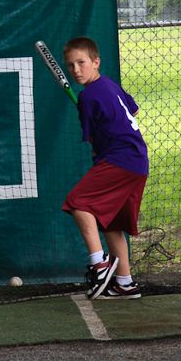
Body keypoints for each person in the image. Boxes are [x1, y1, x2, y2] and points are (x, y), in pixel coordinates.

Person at [62, 36, 148, 300]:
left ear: (95, 62)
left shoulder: (87, 97)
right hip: (138, 161)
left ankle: (100, 264)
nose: (76, 70)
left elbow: (89, 137)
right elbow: (131, 112)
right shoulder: (109, 84)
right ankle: (124, 282)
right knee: (111, 223)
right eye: (71, 65)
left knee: (78, 203)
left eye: (82, 63)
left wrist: (100, 141)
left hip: (120, 160)